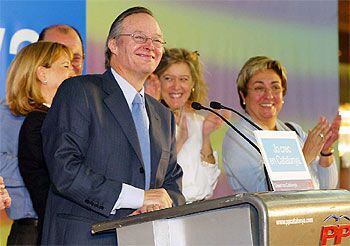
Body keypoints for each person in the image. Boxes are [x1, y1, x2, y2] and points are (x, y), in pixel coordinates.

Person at [41, 7, 185, 245]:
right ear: (113, 45)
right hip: (87, 237)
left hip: (144, 237)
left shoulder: (163, 115)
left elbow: (172, 182)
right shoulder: (79, 92)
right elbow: (64, 169)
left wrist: (159, 206)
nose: (150, 45)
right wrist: (138, 198)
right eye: (139, 37)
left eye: (157, 40)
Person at [0, 24, 84, 245]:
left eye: (75, 60)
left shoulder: (56, 116)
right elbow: (52, 180)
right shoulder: (37, 122)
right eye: (65, 64)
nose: (73, 70)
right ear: (42, 73)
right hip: (38, 231)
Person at [222, 56, 340, 193]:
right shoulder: (238, 136)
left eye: (275, 87)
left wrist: (325, 152)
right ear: (243, 96)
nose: (269, 95)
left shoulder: (293, 130)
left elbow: (326, 188)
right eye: (259, 88)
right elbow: (264, 190)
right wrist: (304, 157)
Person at [154, 48, 222, 203]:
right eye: (168, 78)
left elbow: (208, 187)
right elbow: (153, 179)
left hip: (198, 212)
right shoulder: (151, 122)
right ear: (157, 81)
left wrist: (205, 137)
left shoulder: (198, 121)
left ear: (192, 84)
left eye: (183, 79)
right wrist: (179, 141)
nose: (176, 86)